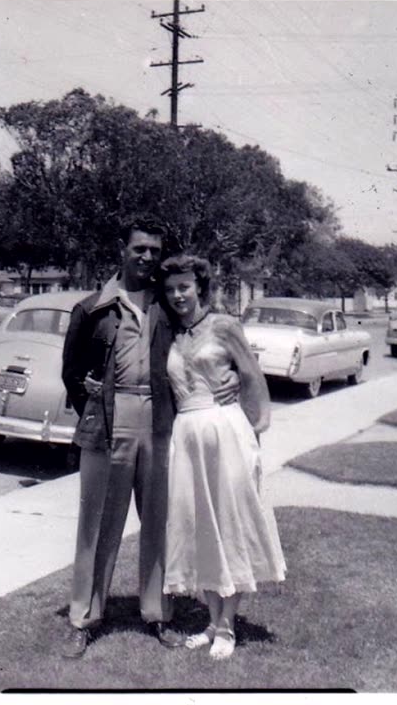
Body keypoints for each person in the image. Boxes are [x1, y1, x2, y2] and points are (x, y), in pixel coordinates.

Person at [57, 216, 238, 659]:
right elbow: (71, 375)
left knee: (158, 521)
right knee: (96, 524)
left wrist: (231, 376)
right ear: (123, 248)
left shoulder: (167, 304)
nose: (147, 257)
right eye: (140, 248)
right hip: (109, 423)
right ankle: (84, 617)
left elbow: (205, 340)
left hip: (160, 423)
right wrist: (98, 410)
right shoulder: (92, 308)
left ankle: (157, 613)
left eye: (154, 250)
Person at [157, 255, 287, 660]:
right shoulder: (171, 333)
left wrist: (255, 428)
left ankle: (229, 625)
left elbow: (251, 373)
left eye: (185, 286)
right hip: (188, 435)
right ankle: (211, 621)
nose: (178, 295)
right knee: (199, 527)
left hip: (226, 432)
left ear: (200, 286)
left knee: (230, 522)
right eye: (171, 288)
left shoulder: (225, 325)